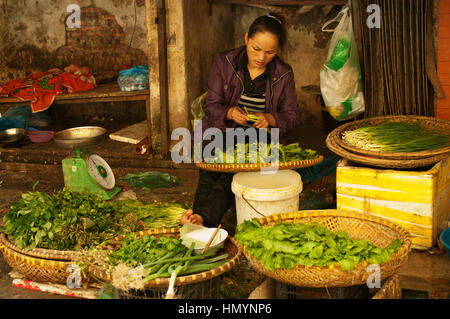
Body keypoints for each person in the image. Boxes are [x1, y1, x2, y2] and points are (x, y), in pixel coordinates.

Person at [181, 13, 300, 227]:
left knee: (234, 171)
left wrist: (270, 118)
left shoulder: (284, 73)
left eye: (270, 52)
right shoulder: (224, 62)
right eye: (256, 48)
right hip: (223, 130)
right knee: (211, 167)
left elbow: (292, 117)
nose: (262, 57)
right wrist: (229, 112)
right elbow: (211, 105)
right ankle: (197, 215)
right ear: (246, 39)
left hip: (259, 138)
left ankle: (202, 219)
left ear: (278, 50)